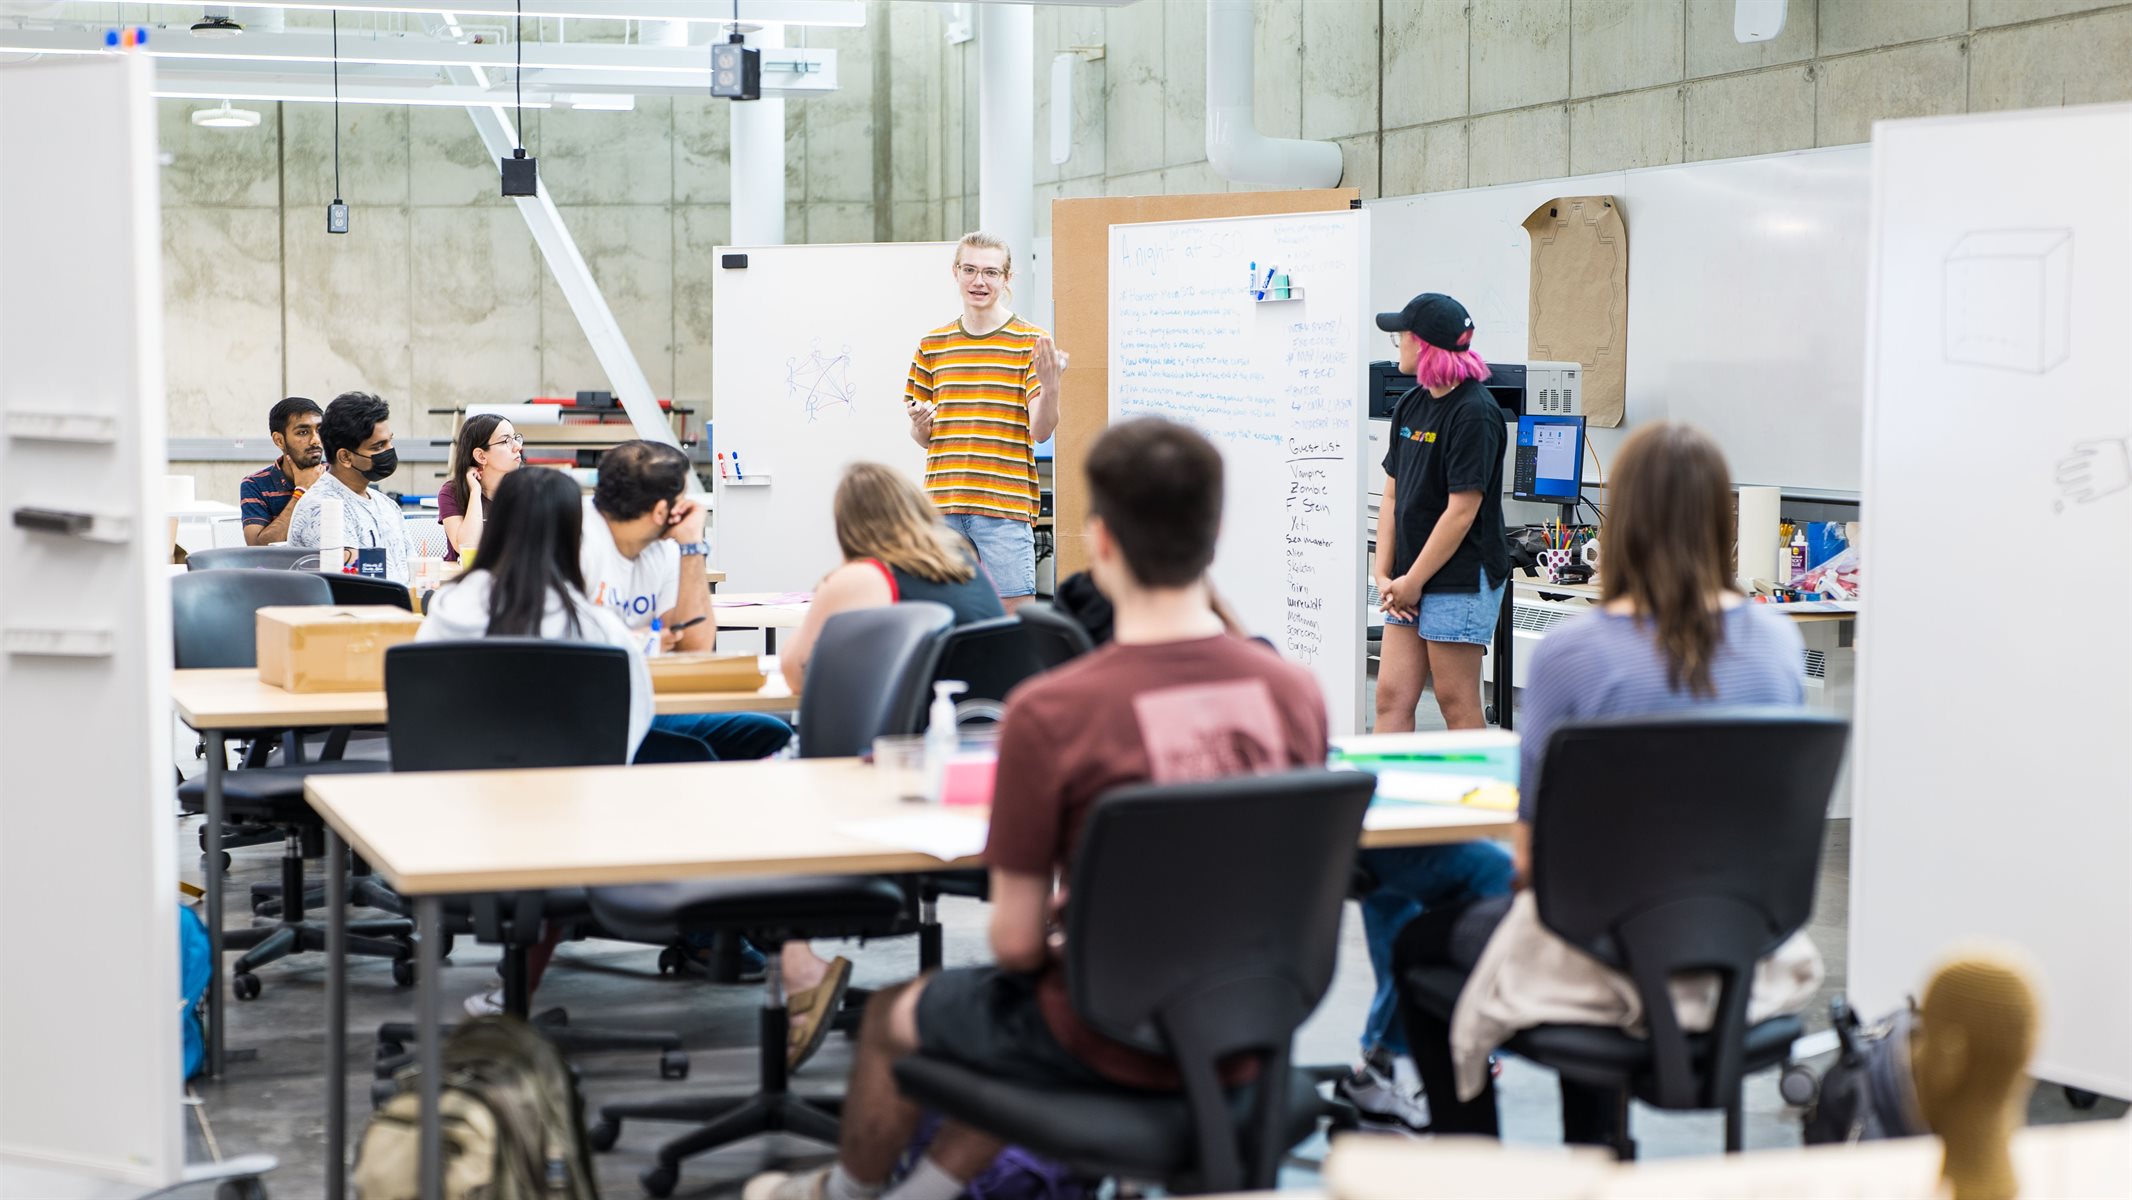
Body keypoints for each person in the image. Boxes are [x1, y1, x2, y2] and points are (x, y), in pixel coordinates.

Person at [745, 418, 1328, 1200]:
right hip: (1254, 1023)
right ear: (1214, 535)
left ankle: (843, 1195)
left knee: (903, 1015)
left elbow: (1017, 943)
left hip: (1102, 1028)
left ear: (1103, 542)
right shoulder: (1293, 692)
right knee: (1010, 1021)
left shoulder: (1055, 712)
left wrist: (1074, 916)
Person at [1391, 422, 1810, 1147]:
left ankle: (1483, 1166)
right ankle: (1600, 1157)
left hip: (1601, 956)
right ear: (1722, 519)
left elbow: (1529, 863)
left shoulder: (1573, 654)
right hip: (1742, 948)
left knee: (1421, 942)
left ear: (1620, 522)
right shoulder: (1779, 646)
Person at [769, 462, 1007, 1072]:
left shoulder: (861, 575)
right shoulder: (966, 566)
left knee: (763, 777)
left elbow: (799, 674)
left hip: (892, 767)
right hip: (976, 771)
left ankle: (797, 965)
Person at [419, 466, 653, 1014]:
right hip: (569, 832)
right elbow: (630, 737)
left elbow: (415, 707)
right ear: (575, 535)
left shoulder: (447, 611)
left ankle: (513, 987)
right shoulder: (600, 631)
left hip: (447, 821)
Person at [582, 439, 791, 761]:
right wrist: (640, 640)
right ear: (661, 511)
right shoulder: (579, 538)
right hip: (591, 709)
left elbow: (694, 648)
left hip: (647, 700)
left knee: (773, 735)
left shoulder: (665, 545)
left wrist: (692, 545)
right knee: (696, 755)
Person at [904, 232, 1065, 614]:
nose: (980, 281)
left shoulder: (1032, 341)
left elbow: (1041, 430)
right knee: (943, 619)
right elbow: (924, 438)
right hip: (943, 504)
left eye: (991, 272)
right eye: (970, 270)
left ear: (1007, 279)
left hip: (1003, 507)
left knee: (1013, 623)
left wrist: (1052, 385)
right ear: (956, 273)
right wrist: (919, 422)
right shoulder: (933, 344)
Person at [1372, 292, 1510, 734]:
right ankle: (1383, 798)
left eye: (1402, 337)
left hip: (1460, 577)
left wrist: (1412, 582)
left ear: (1424, 345)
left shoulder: (1475, 414)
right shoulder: (1410, 405)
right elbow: (1392, 496)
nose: (1397, 346)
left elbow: (1461, 512)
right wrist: (1384, 573)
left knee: (1455, 701)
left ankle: (1477, 803)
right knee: (1391, 696)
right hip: (1408, 576)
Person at [286, 392, 414, 584]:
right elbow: (352, 587)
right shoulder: (322, 509)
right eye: (378, 447)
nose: (389, 451)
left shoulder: (387, 505)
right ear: (345, 457)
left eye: (390, 441)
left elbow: (412, 572)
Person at [437, 413, 524, 564]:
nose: (518, 447)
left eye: (515, 438)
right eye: (506, 441)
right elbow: (467, 547)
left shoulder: (525, 490)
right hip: (465, 581)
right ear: (481, 456)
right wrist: (475, 492)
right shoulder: (451, 492)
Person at [239, 396, 324, 545]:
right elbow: (257, 548)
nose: (316, 440)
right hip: (280, 568)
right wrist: (301, 492)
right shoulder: (255, 484)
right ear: (279, 440)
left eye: (320, 430)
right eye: (303, 432)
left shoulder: (336, 475)